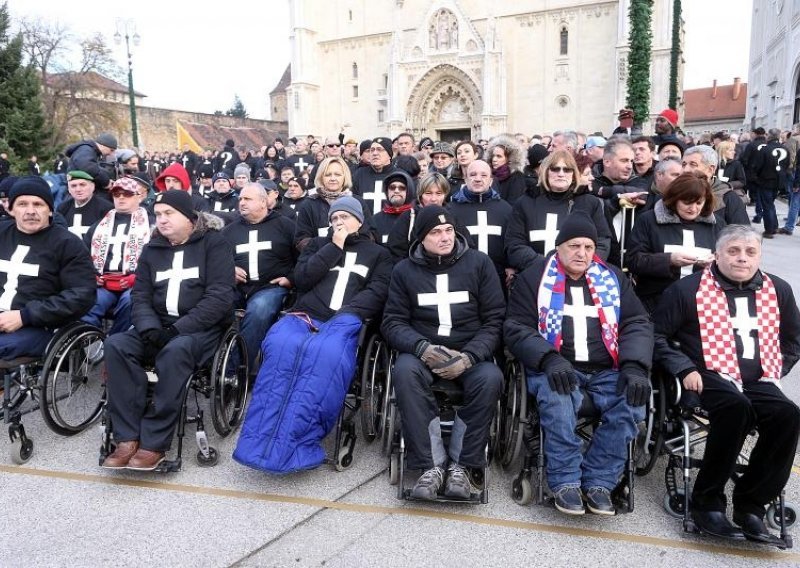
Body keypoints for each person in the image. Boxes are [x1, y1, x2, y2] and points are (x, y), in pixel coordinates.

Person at [653, 224, 800, 541]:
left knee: (787, 415)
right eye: (733, 251)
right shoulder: (687, 290)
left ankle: (751, 505)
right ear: (717, 255)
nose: (742, 259)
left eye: (750, 252)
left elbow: (793, 341)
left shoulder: (779, 291)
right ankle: (708, 504)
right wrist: (682, 367)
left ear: (759, 255)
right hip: (704, 375)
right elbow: (656, 336)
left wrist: (776, 367)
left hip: (757, 376)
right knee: (736, 408)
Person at [504, 212, 653, 516]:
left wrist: (635, 365)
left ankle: (599, 480)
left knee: (632, 404)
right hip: (555, 366)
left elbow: (637, 322)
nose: (582, 253)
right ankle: (566, 481)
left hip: (606, 369)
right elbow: (516, 327)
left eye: (588, 247)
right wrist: (547, 358)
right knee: (558, 401)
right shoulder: (535, 277)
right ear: (559, 247)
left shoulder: (612, 277)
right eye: (574, 245)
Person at [234, 197, 391, 473]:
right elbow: (303, 278)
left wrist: (348, 313)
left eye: (345, 217)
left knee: (324, 354)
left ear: (360, 221)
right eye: (334, 219)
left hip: (345, 320)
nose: (339, 223)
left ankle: (300, 443)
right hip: (305, 315)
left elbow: (378, 291)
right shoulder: (320, 246)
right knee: (280, 343)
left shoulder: (379, 254)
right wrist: (334, 247)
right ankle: (257, 443)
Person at [101, 190, 235, 471]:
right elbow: (140, 295)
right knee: (116, 344)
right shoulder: (153, 249)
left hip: (200, 328)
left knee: (175, 351)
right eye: (158, 214)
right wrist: (150, 327)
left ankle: (154, 443)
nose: (161, 220)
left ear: (189, 216)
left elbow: (219, 298)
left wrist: (175, 330)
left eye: (168, 213)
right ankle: (126, 438)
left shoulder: (214, 244)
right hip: (157, 325)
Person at [381, 205, 505, 500]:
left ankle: (462, 465)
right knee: (404, 371)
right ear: (421, 239)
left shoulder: (479, 263)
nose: (445, 237)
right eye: (435, 232)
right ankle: (430, 466)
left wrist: (470, 357)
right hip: (423, 351)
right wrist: (422, 348)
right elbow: (392, 321)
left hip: (469, 350)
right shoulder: (405, 270)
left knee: (491, 378)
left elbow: (495, 319)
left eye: (449, 230)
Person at [0, 176, 95, 359]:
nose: (30, 211)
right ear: (10, 209)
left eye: (38, 204)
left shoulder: (68, 244)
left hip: (40, 326)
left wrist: (25, 316)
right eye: (22, 204)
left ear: (50, 211)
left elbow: (81, 294)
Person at [222, 182, 297, 370]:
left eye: (247, 199)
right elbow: (215, 260)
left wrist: (291, 279)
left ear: (264, 202)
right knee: (214, 304)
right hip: (237, 288)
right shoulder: (229, 231)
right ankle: (210, 362)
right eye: (240, 199)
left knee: (259, 309)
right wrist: (228, 269)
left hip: (270, 288)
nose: (241, 203)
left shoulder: (285, 226)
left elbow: (303, 258)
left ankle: (236, 369)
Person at [627, 173, 721, 314]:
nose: (693, 208)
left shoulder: (716, 225)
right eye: (687, 202)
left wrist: (716, 263)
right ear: (675, 199)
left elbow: (728, 260)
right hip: (655, 300)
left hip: (701, 302)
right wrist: (669, 260)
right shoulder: (649, 220)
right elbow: (633, 260)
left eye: (698, 203)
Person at [505, 150, 611, 272]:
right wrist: (547, 265)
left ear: (573, 174)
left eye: (567, 170)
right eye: (555, 169)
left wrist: (580, 266)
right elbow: (515, 245)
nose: (561, 174)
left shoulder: (590, 203)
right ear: (545, 172)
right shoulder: (525, 203)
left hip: (578, 276)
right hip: (535, 274)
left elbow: (602, 243)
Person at [81, 176, 151, 335]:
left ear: (138, 196)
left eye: (126, 194)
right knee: (88, 302)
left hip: (135, 283)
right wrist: (92, 274)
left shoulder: (150, 225)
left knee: (131, 302)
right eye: (116, 194)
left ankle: (113, 342)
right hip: (103, 282)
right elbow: (83, 255)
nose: (120, 198)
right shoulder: (99, 225)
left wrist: (136, 278)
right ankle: (90, 343)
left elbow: (157, 258)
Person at [448, 159, 512, 286]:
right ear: (465, 179)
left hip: (498, 277)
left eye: (483, 175)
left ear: (491, 180)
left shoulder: (506, 209)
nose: (478, 179)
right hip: (462, 277)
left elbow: (512, 242)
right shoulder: (451, 210)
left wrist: (511, 265)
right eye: (473, 175)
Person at [386, 173, 473, 261]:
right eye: (428, 193)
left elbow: (466, 246)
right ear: (420, 195)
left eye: (439, 193)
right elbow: (396, 251)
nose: (433, 199)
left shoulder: (452, 216)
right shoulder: (409, 217)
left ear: (445, 195)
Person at [295, 156, 370, 250]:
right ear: (321, 177)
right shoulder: (309, 204)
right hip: (320, 259)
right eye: (328, 174)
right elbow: (301, 240)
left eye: (337, 174)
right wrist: (330, 247)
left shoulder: (357, 202)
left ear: (344, 176)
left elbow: (368, 234)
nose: (333, 178)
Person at [749, 128, 789, 238]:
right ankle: (774, 226)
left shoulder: (765, 149)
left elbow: (757, 166)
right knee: (770, 204)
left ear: (770, 136)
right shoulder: (785, 149)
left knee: (767, 206)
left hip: (766, 180)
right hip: (779, 180)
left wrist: (755, 178)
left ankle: (769, 230)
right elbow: (787, 165)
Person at [57, 170, 113, 238]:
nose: (78, 189)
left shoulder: (106, 208)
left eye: (82, 185)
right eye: (73, 186)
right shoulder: (62, 208)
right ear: (69, 189)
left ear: (93, 186)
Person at [352, 137, 399, 217]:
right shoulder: (359, 174)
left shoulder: (399, 175)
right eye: (372, 150)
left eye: (379, 149)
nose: (375, 153)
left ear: (389, 155)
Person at [369, 170, 416, 245]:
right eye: (392, 187)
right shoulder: (375, 220)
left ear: (409, 191)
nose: (396, 191)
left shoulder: (417, 217)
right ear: (387, 191)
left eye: (402, 188)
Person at [486, 135, 526, 204]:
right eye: (493, 156)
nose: (494, 159)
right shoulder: (489, 175)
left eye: (499, 156)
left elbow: (514, 203)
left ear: (509, 158)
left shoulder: (517, 177)